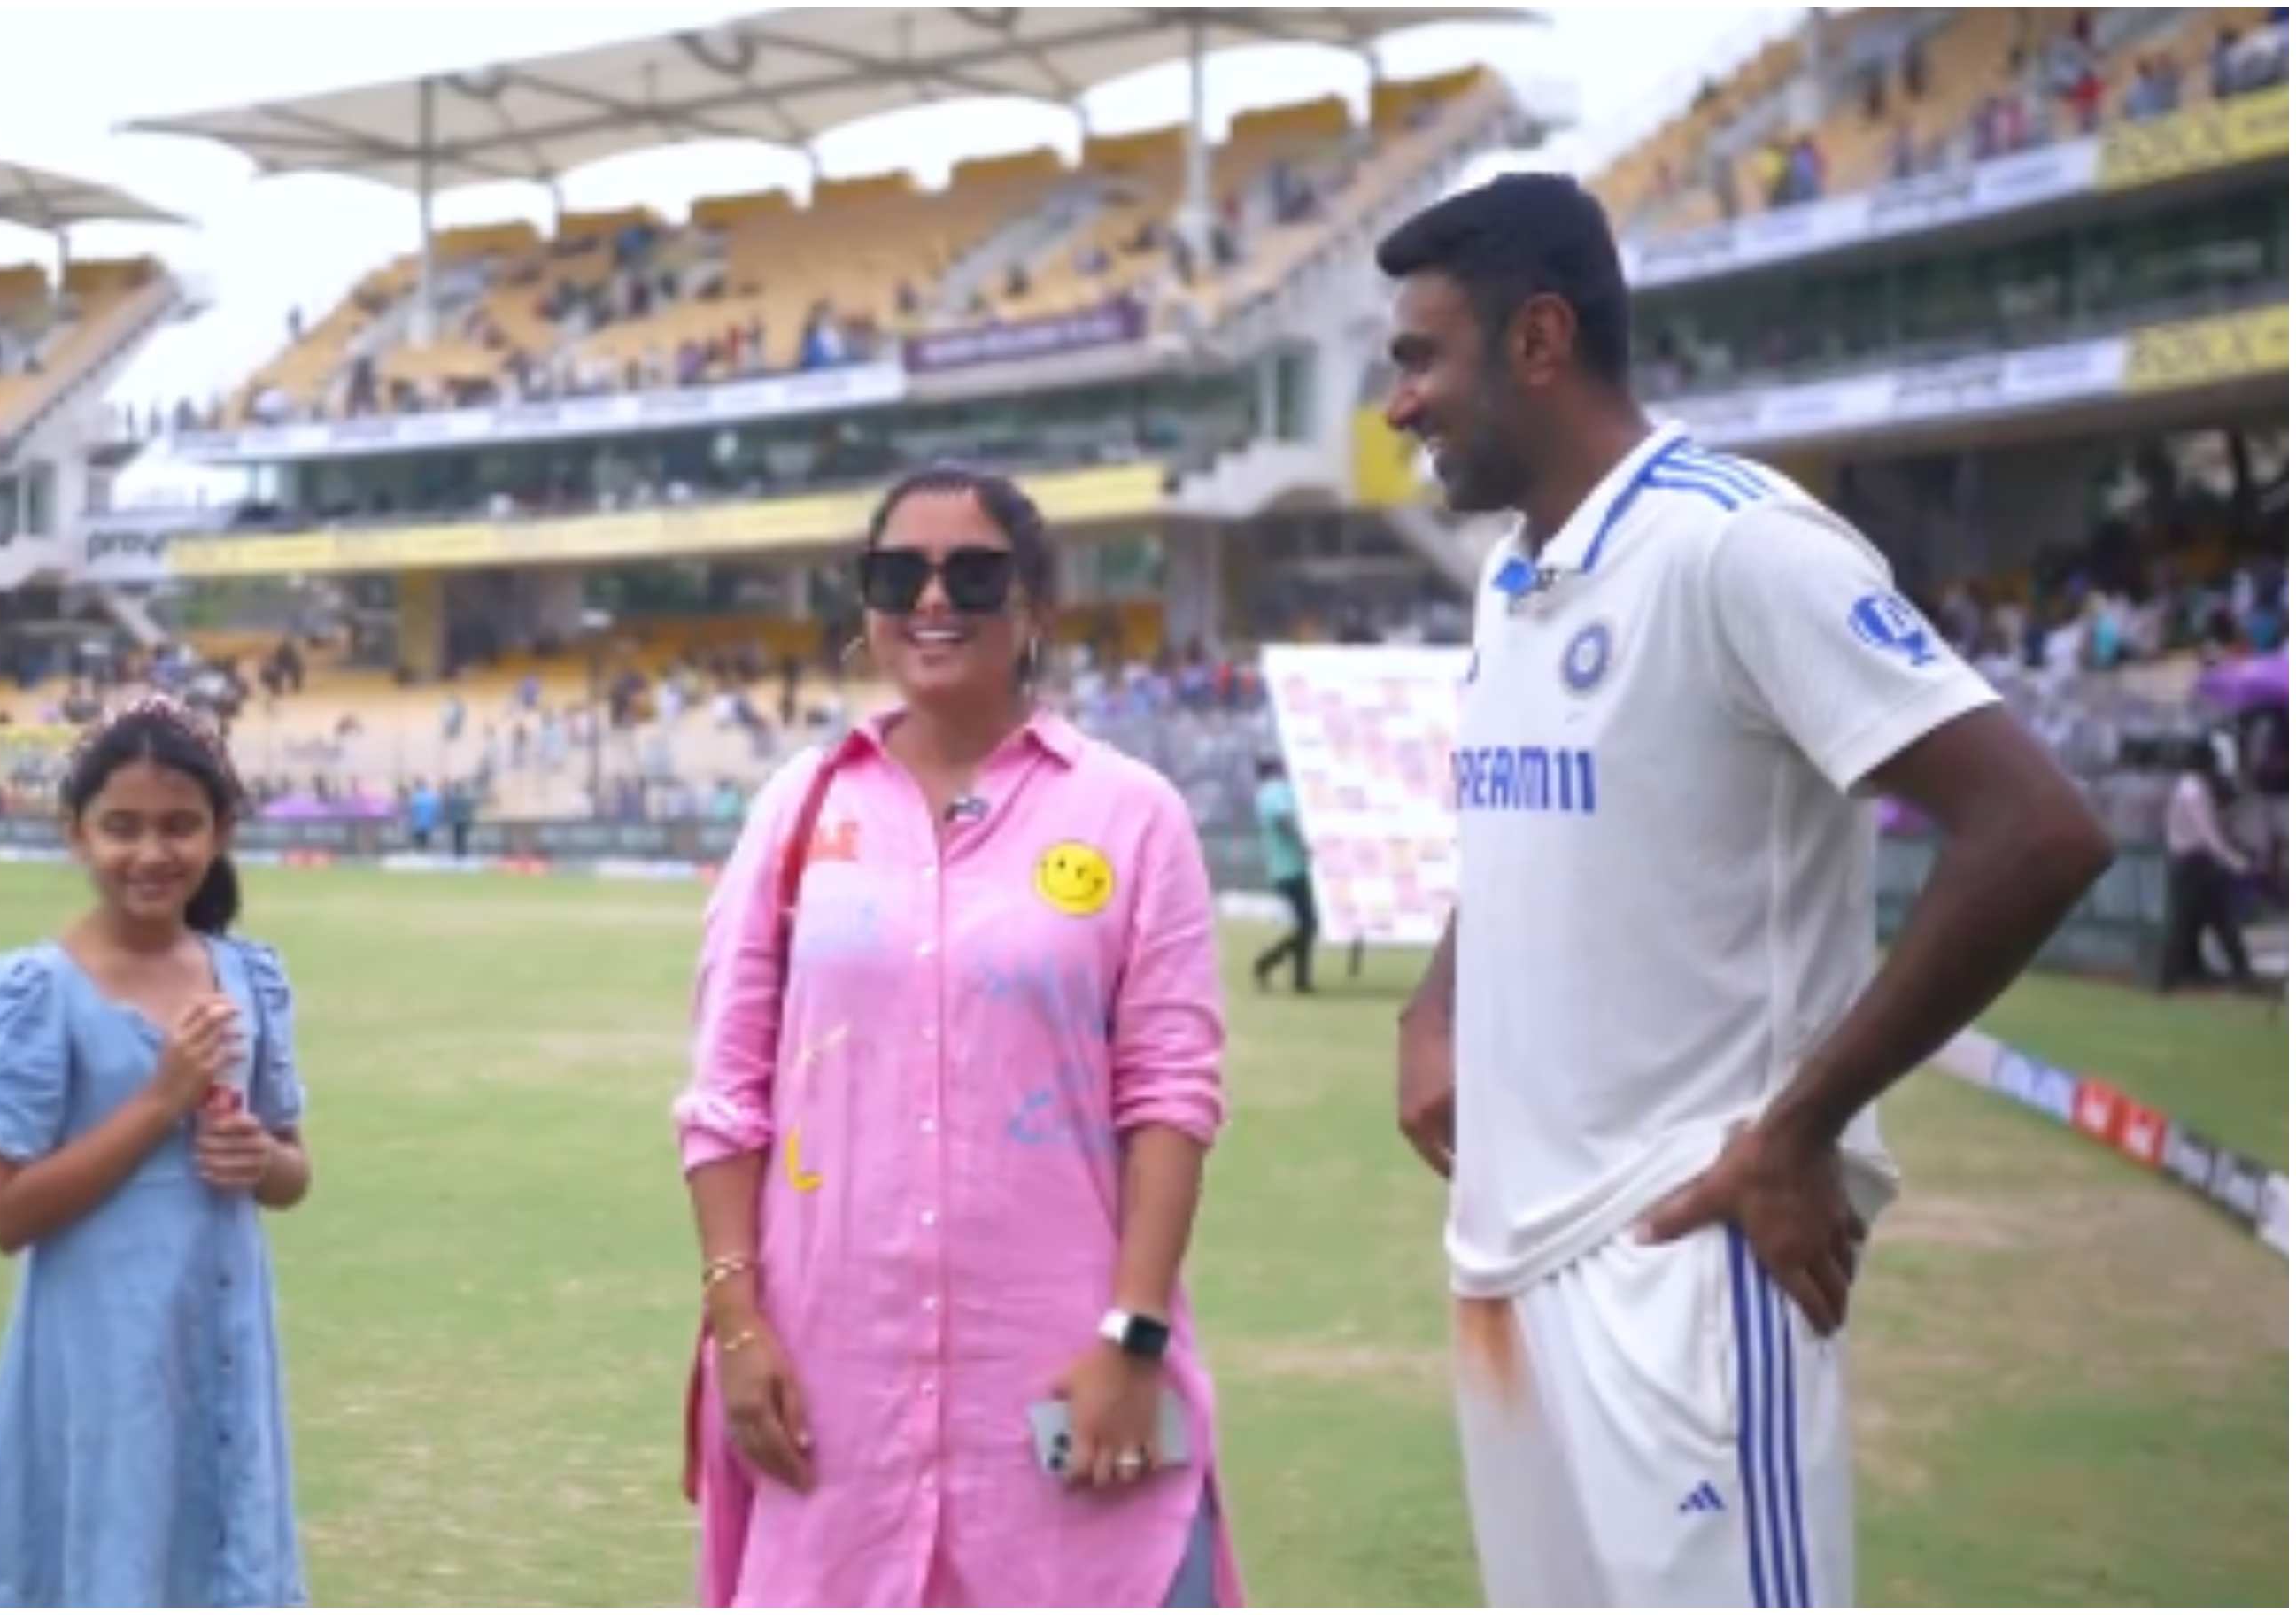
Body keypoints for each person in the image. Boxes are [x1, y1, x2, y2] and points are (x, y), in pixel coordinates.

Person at [1374, 174, 2112, 1606]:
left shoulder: (1733, 542)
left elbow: (2032, 828)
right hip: (1509, 1262)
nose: (1396, 403)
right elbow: (1535, 822)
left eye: (1417, 356)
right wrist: (1434, 1001)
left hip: (1684, 1254)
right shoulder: (1510, 576)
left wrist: (1798, 1126)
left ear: (1535, 339)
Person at [676, 466, 1241, 1606]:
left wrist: (1132, 1339)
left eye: (973, 574)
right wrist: (737, 1327)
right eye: (900, 574)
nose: (934, 601)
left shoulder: (1133, 816)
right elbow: (726, 1092)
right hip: (830, 1396)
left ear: (1033, 604)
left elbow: (1172, 1101)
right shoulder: (798, 812)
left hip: (1066, 1379)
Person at [0, 695, 310, 1606]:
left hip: (222, 1338)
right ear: (75, 834)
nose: (152, 854)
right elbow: (6, 1212)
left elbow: (295, 1172)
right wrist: (161, 1100)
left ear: (220, 832)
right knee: (110, 1552)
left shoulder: (247, 977)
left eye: (181, 826)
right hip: (100, 1353)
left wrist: (258, 1158)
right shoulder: (35, 993)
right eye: (122, 828)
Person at [2160, 738, 2257, 991]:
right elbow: (2207, 833)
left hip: (2186, 863)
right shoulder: (2195, 790)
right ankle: (2239, 973)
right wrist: (2233, 860)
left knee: (2193, 922)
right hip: (2195, 864)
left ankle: (2185, 973)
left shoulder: (2187, 786)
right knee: (2209, 921)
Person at [1248, 755, 1317, 994]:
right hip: (1292, 867)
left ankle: (1301, 979)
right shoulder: (1275, 791)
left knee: (1306, 924)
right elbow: (1283, 818)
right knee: (1308, 924)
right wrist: (1302, 844)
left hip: (1284, 868)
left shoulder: (1263, 794)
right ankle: (1266, 963)